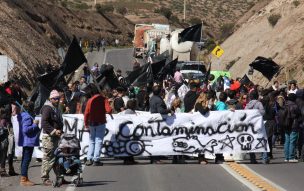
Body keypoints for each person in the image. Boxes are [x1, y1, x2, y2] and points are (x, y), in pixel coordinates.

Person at [40, 90, 65, 186]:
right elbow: (44, 123)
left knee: (57, 158)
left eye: (58, 98)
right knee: (48, 158)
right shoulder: (47, 108)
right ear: (51, 99)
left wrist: (60, 131)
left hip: (55, 137)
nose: (57, 100)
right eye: (55, 98)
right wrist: (54, 131)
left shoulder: (56, 108)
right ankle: (45, 178)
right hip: (49, 137)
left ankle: (60, 177)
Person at [84, 89, 112, 166]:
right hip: (101, 122)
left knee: (92, 141)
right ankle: (96, 159)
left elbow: (86, 113)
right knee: (98, 140)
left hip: (91, 123)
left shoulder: (90, 100)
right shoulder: (103, 99)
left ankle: (89, 158)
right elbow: (109, 110)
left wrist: (86, 123)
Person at [17, 101, 40, 186]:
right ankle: (23, 179)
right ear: (31, 108)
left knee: (25, 159)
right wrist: (34, 125)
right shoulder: (27, 116)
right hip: (28, 141)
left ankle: (25, 177)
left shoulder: (23, 115)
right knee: (26, 160)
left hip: (26, 141)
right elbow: (25, 129)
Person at [245, 90, 268, 164]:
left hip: (250, 126)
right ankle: (265, 158)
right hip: (258, 125)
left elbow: (245, 113)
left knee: (251, 140)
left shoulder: (248, 105)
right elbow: (262, 112)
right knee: (262, 139)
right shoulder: (259, 103)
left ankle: (252, 159)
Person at [283, 93, 301, 163]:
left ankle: (286, 157)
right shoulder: (295, 106)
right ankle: (291, 157)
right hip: (294, 125)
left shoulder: (285, 105)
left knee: (287, 141)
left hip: (286, 125)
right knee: (292, 142)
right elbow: (299, 116)